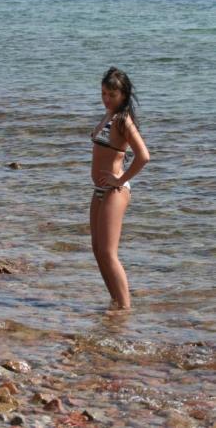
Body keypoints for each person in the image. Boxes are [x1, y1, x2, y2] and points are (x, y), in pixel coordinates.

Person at [90, 67, 150, 310]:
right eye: (103, 93)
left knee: (108, 252)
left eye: (112, 95)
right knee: (97, 250)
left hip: (115, 191)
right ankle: (115, 302)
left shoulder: (123, 120)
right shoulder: (108, 114)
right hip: (99, 190)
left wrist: (119, 179)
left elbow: (143, 156)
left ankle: (125, 309)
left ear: (123, 95)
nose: (106, 99)